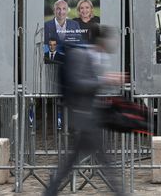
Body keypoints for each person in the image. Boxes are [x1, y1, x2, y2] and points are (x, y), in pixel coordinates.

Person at [44, 24, 124, 196]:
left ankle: (51, 191)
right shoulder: (81, 55)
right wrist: (105, 80)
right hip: (83, 117)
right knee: (102, 160)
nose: (114, 43)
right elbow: (78, 84)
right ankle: (120, 192)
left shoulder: (95, 56)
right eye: (111, 39)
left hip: (89, 118)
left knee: (72, 161)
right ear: (102, 41)